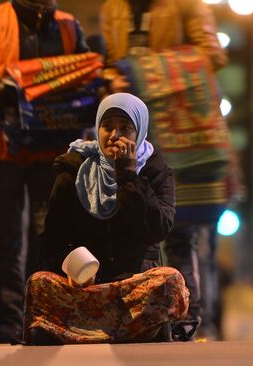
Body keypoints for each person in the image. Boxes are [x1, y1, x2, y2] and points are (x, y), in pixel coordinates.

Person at [100, 0, 229, 339]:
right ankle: (153, 317)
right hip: (136, 132)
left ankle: (194, 318)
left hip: (180, 132)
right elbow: (114, 63)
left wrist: (139, 70)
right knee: (138, 227)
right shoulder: (112, 8)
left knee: (182, 233)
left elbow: (212, 55)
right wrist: (113, 74)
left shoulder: (188, 5)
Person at [24, 93, 188, 345]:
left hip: (133, 288)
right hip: (85, 290)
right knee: (39, 283)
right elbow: (51, 241)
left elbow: (157, 230)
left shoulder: (156, 172)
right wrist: (71, 269)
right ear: (97, 127)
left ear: (140, 131)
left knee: (170, 281)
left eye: (125, 128)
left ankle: (79, 331)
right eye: (107, 126)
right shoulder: (73, 172)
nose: (114, 135)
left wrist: (129, 177)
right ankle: (132, 330)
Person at [0, 0, 90, 344]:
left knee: (50, 233)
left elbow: (85, 77)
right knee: (5, 237)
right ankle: (10, 319)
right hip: (2, 148)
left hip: (53, 150)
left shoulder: (69, 25)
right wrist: (13, 93)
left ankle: (46, 315)